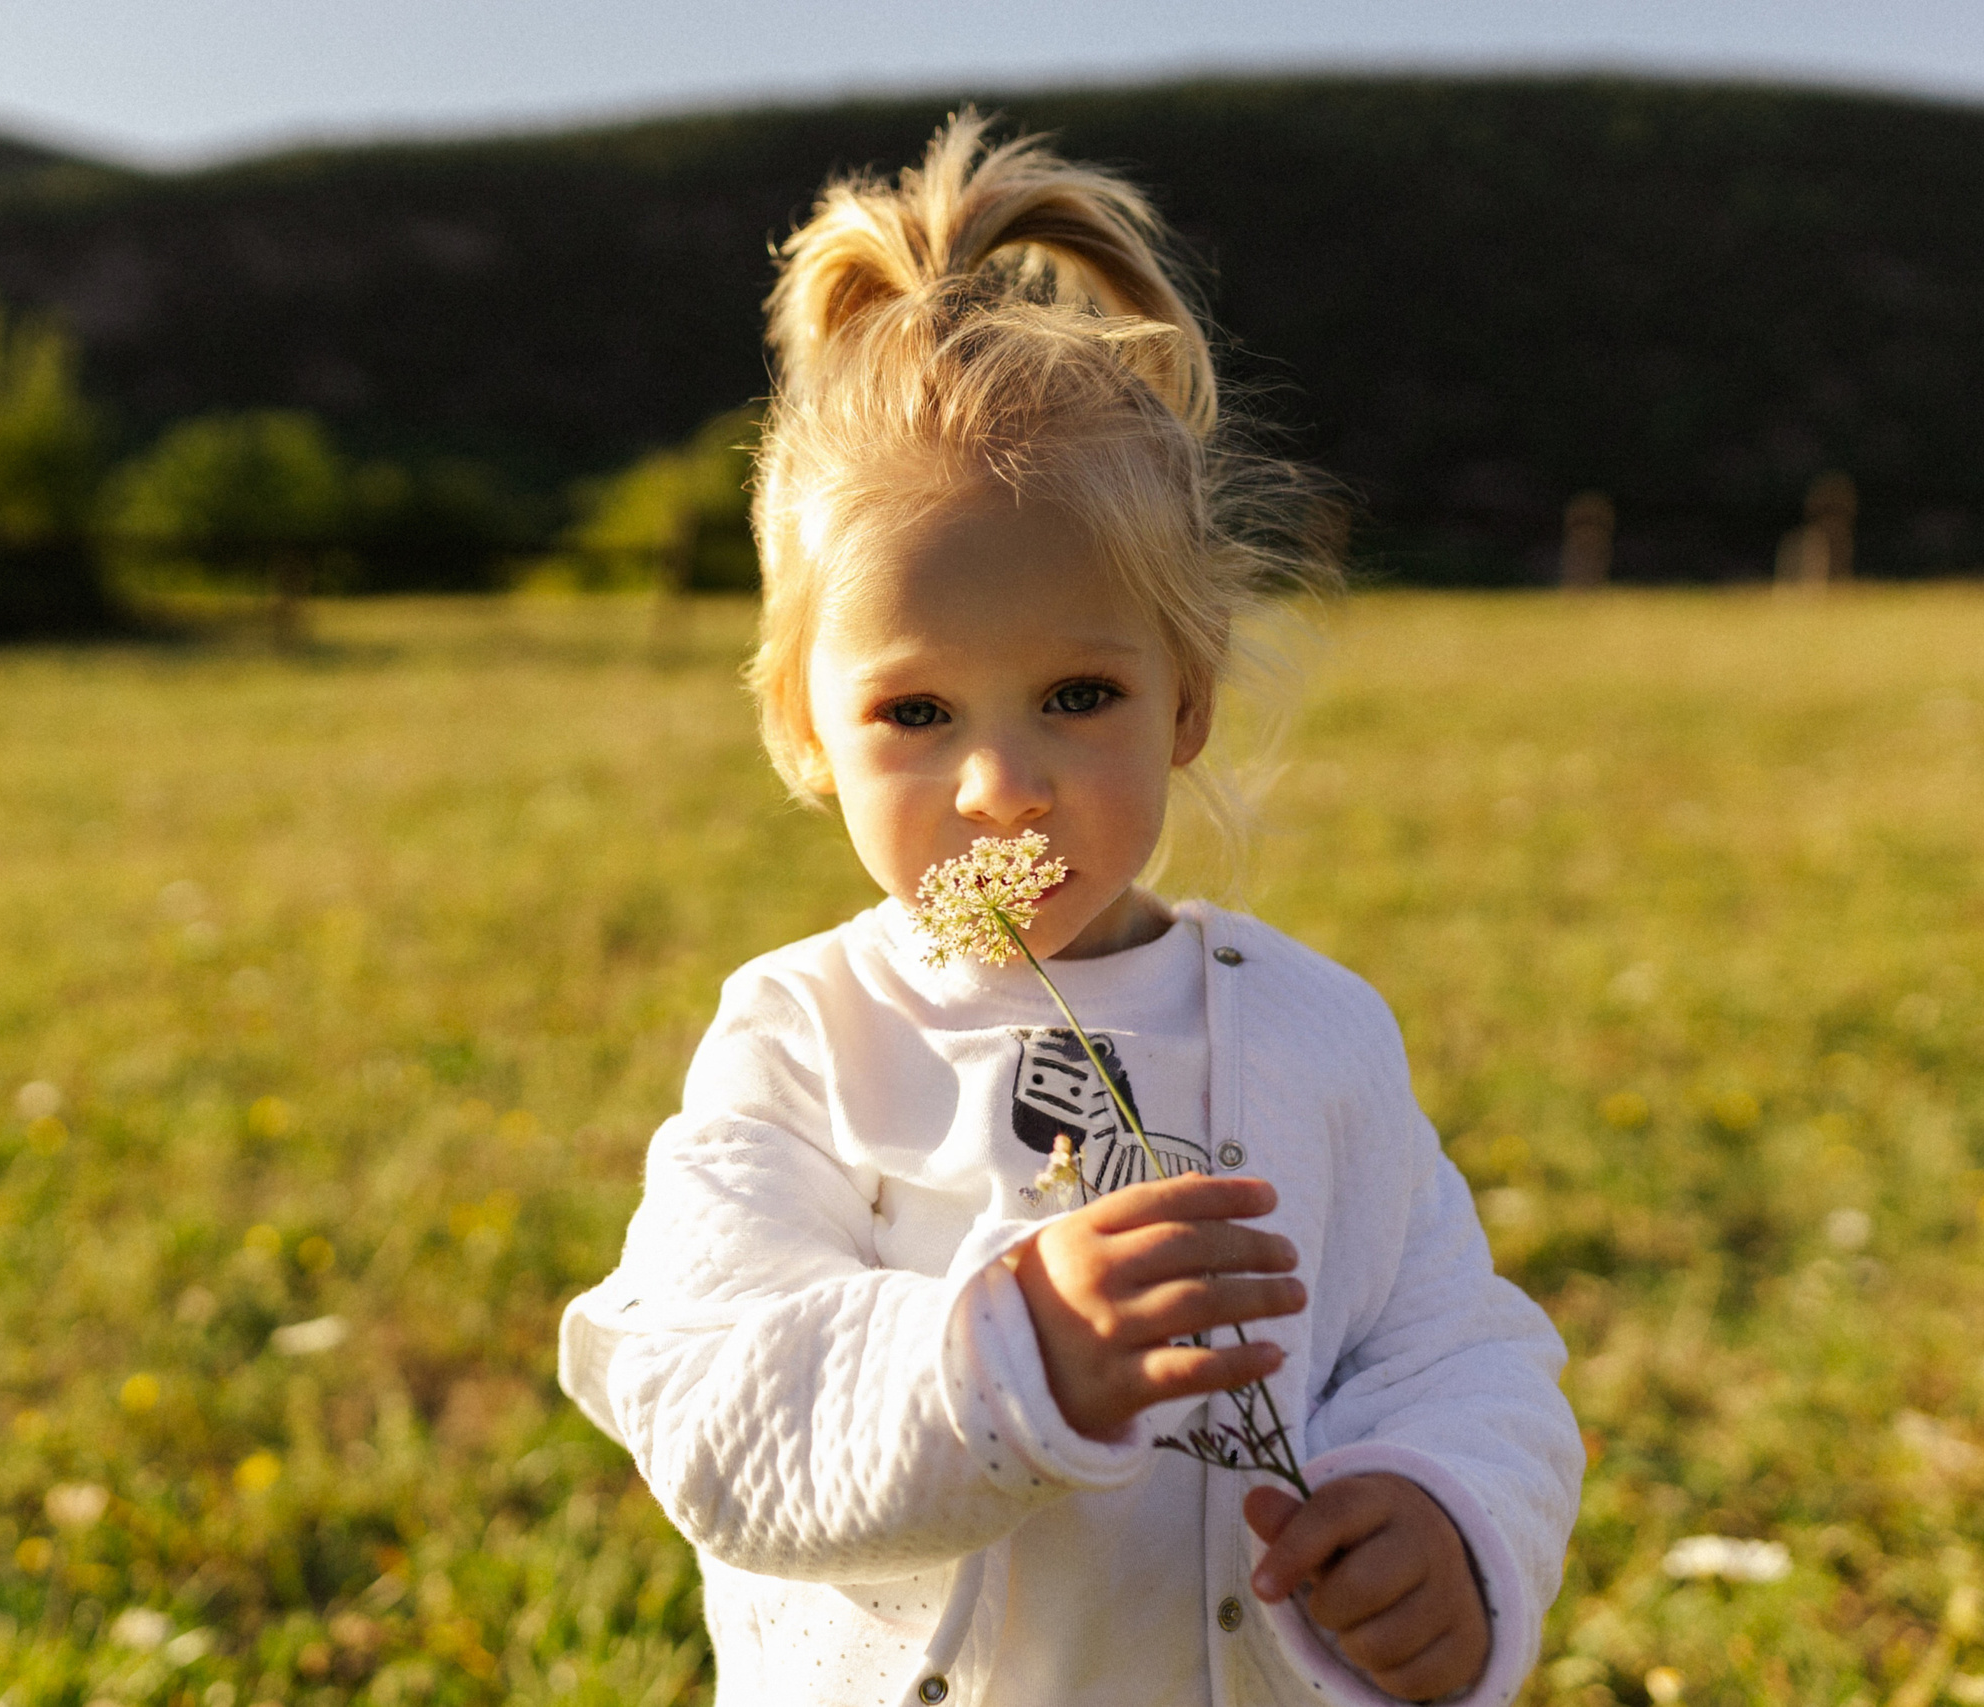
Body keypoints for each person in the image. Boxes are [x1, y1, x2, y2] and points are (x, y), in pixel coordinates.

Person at [558, 113, 1583, 1707]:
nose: (999, 789)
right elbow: (702, 1398)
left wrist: (1449, 1516)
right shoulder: (804, 1040)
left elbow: (1458, 1344)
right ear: (802, 734)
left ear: (1187, 703)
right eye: (915, 715)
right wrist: (1012, 1350)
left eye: (1078, 695)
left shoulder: (1314, 1034)